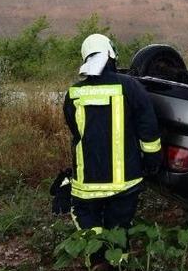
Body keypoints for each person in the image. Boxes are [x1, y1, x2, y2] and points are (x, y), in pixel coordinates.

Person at [62, 34, 162, 233]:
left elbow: (76, 130)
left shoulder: (73, 93)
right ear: (111, 54)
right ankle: (115, 253)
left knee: (89, 229)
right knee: (118, 230)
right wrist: (152, 162)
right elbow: (148, 128)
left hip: (87, 184)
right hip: (125, 183)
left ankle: (95, 250)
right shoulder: (130, 86)